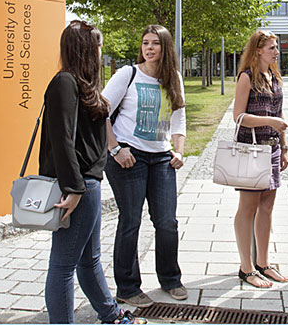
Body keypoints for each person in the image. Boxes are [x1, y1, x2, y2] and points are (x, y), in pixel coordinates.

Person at [40, 20, 145, 324]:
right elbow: (63, 141)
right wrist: (73, 189)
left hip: (88, 184)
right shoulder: (65, 83)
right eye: (98, 45)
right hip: (78, 187)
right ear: (86, 49)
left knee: (89, 260)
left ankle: (111, 316)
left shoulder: (83, 86)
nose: (101, 51)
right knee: (63, 265)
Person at [103, 25, 187, 308]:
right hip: (129, 157)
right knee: (131, 222)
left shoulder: (173, 78)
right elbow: (99, 111)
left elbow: (178, 121)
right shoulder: (128, 74)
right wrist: (115, 149)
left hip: (162, 157)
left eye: (155, 43)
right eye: (145, 43)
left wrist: (180, 151)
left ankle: (170, 279)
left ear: (165, 48)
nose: (149, 48)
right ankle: (127, 287)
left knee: (167, 222)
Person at [232, 30, 288, 288]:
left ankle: (263, 263)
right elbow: (238, 116)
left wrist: (284, 148)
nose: (276, 52)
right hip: (252, 149)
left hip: (273, 149)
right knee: (248, 207)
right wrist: (269, 121)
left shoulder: (275, 77)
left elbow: (280, 113)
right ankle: (246, 267)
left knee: (267, 206)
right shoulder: (246, 77)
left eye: (276, 48)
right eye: (271, 48)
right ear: (257, 50)